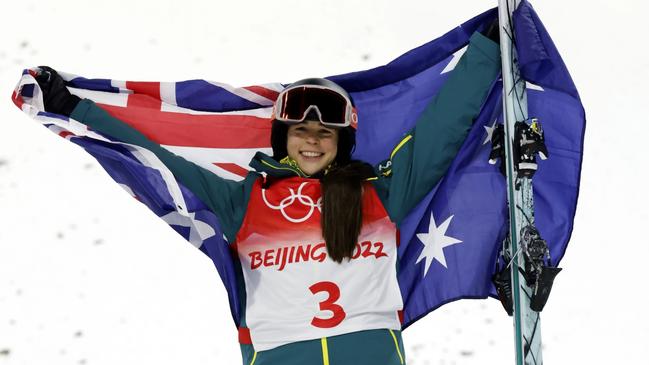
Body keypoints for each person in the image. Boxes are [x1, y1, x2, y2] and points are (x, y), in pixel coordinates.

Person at [34, 29, 500, 365]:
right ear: (283, 139)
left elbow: (439, 133)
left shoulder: (378, 194)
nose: (312, 141)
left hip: (371, 352)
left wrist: (486, 52)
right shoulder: (242, 201)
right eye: (301, 131)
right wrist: (75, 107)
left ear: (342, 142)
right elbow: (156, 155)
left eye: (325, 133)